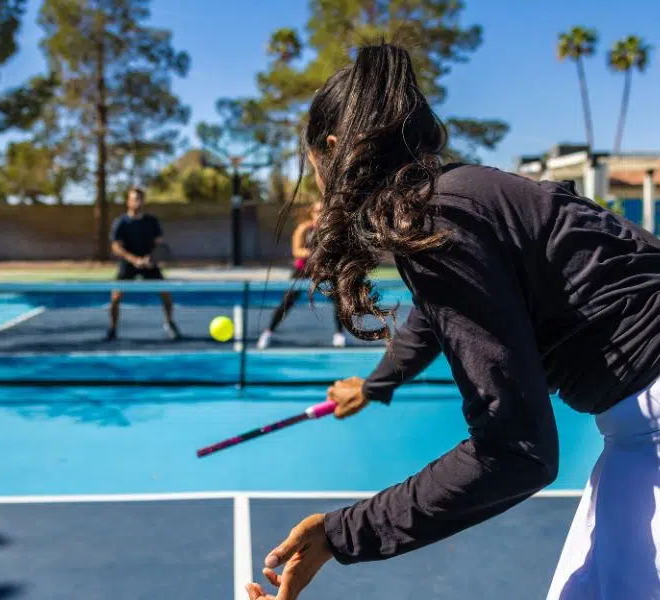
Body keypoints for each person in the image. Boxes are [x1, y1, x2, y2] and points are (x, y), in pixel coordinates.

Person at [246, 42, 660, 600]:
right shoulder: (461, 196)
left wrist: (342, 534)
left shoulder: (440, 217)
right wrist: (376, 384)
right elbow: (434, 315)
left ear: (335, 149)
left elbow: (516, 451)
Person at [256, 200, 346, 350]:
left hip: (323, 269)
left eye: (324, 210)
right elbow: (296, 251)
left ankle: (339, 334)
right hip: (303, 270)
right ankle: (268, 332)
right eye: (317, 211)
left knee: (338, 300)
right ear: (312, 213)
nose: (321, 214)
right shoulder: (304, 229)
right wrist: (316, 253)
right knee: (287, 301)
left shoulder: (331, 230)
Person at [105, 186, 181, 341]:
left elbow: (159, 244)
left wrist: (150, 259)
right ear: (128, 201)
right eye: (134, 199)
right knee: (115, 297)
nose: (137, 202)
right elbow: (116, 247)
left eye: (139, 199)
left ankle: (169, 323)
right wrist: (134, 260)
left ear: (143, 201)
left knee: (166, 294)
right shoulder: (121, 223)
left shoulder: (151, 222)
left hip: (149, 265)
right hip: (128, 265)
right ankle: (112, 328)